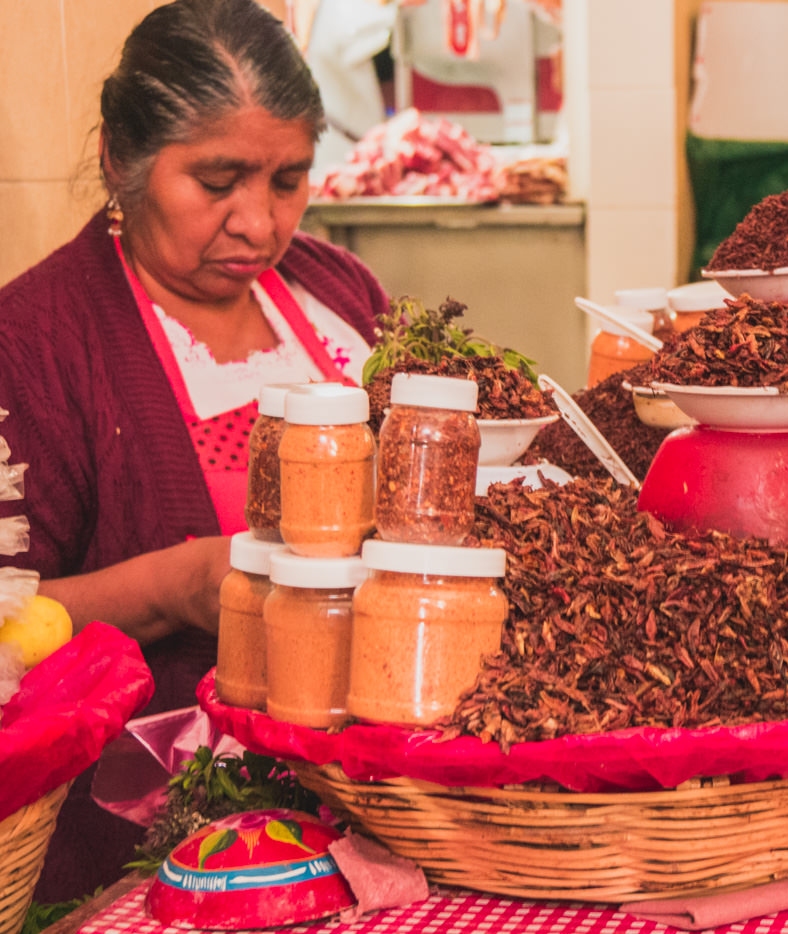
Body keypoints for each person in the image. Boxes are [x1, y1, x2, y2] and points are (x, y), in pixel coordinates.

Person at [0, 0, 390, 898]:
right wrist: (179, 587)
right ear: (118, 159)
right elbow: (9, 624)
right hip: (157, 857)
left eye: (289, 179)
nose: (258, 224)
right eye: (218, 183)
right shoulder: (39, 342)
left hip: (370, 814)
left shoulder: (340, 293)